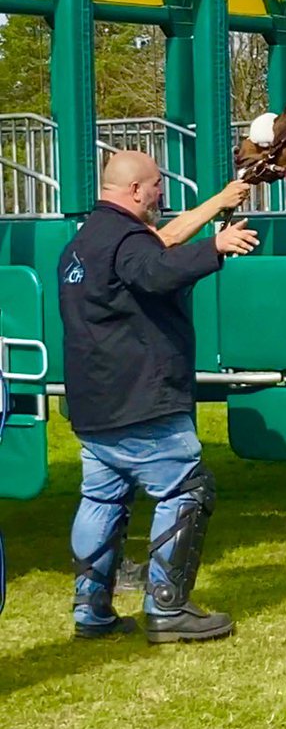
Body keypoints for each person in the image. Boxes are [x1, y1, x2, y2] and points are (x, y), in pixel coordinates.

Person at [58, 150, 258, 643]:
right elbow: (156, 268)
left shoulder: (82, 243)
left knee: (101, 498)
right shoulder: (126, 241)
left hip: (93, 405)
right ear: (134, 190)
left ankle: (91, 611)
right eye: (156, 186)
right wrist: (216, 247)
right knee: (187, 488)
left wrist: (214, 215)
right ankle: (168, 607)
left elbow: (157, 250)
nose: (161, 194)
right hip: (140, 400)